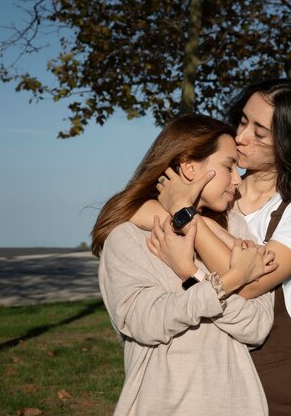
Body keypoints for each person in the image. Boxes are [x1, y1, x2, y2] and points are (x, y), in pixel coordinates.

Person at [149, 78, 291, 415]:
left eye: (259, 133)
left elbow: (250, 285)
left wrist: (186, 215)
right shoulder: (217, 188)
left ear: (290, 143)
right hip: (211, 364)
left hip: (283, 377)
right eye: (243, 121)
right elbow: (138, 207)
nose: (240, 137)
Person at [92, 114, 279, 415]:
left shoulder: (237, 230)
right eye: (229, 166)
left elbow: (256, 327)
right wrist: (226, 282)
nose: (237, 179)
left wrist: (192, 275)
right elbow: (145, 321)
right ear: (190, 166)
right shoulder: (130, 238)